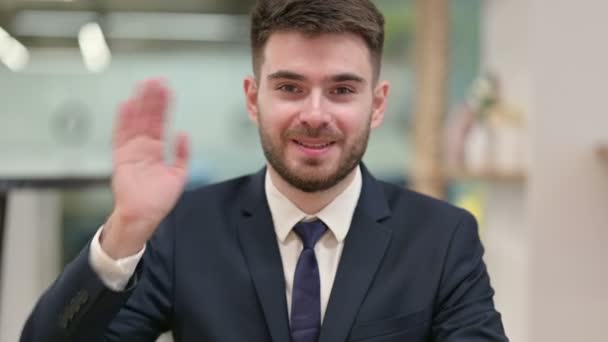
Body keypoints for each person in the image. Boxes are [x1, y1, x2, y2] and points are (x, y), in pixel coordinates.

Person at [20, 0, 508, 341]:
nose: (315, 114)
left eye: (341, 90)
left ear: (376, 105)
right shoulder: (187, 228)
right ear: (254, 98)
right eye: (290, 88)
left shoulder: (441, 238)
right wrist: (125, 230)